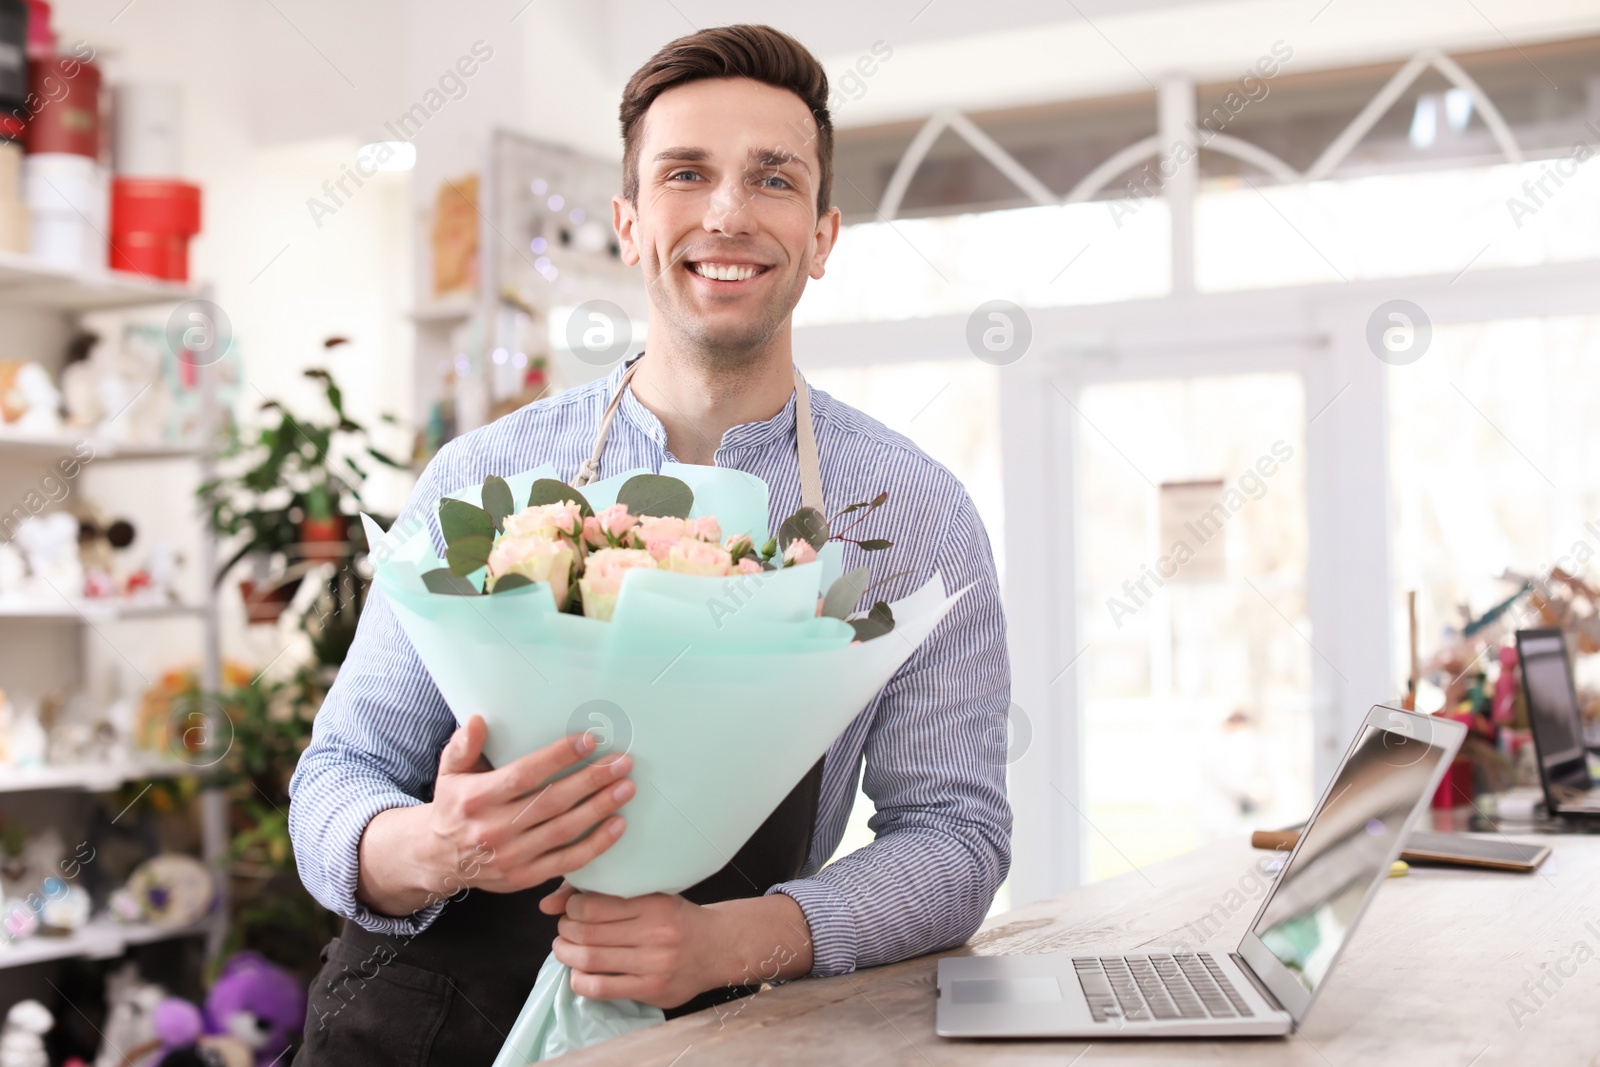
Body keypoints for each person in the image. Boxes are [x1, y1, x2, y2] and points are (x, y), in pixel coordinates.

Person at [288, 23, 1011, 1065]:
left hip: (708, 1027)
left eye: (772, 178)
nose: (726, 212)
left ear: (822, 234)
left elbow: (955, 837)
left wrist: (729, 939)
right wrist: (435, 846)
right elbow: (338, 776)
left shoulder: (912, 517)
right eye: (685, 174)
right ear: (629, 223)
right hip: (408, 1024)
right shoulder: (480, 477)